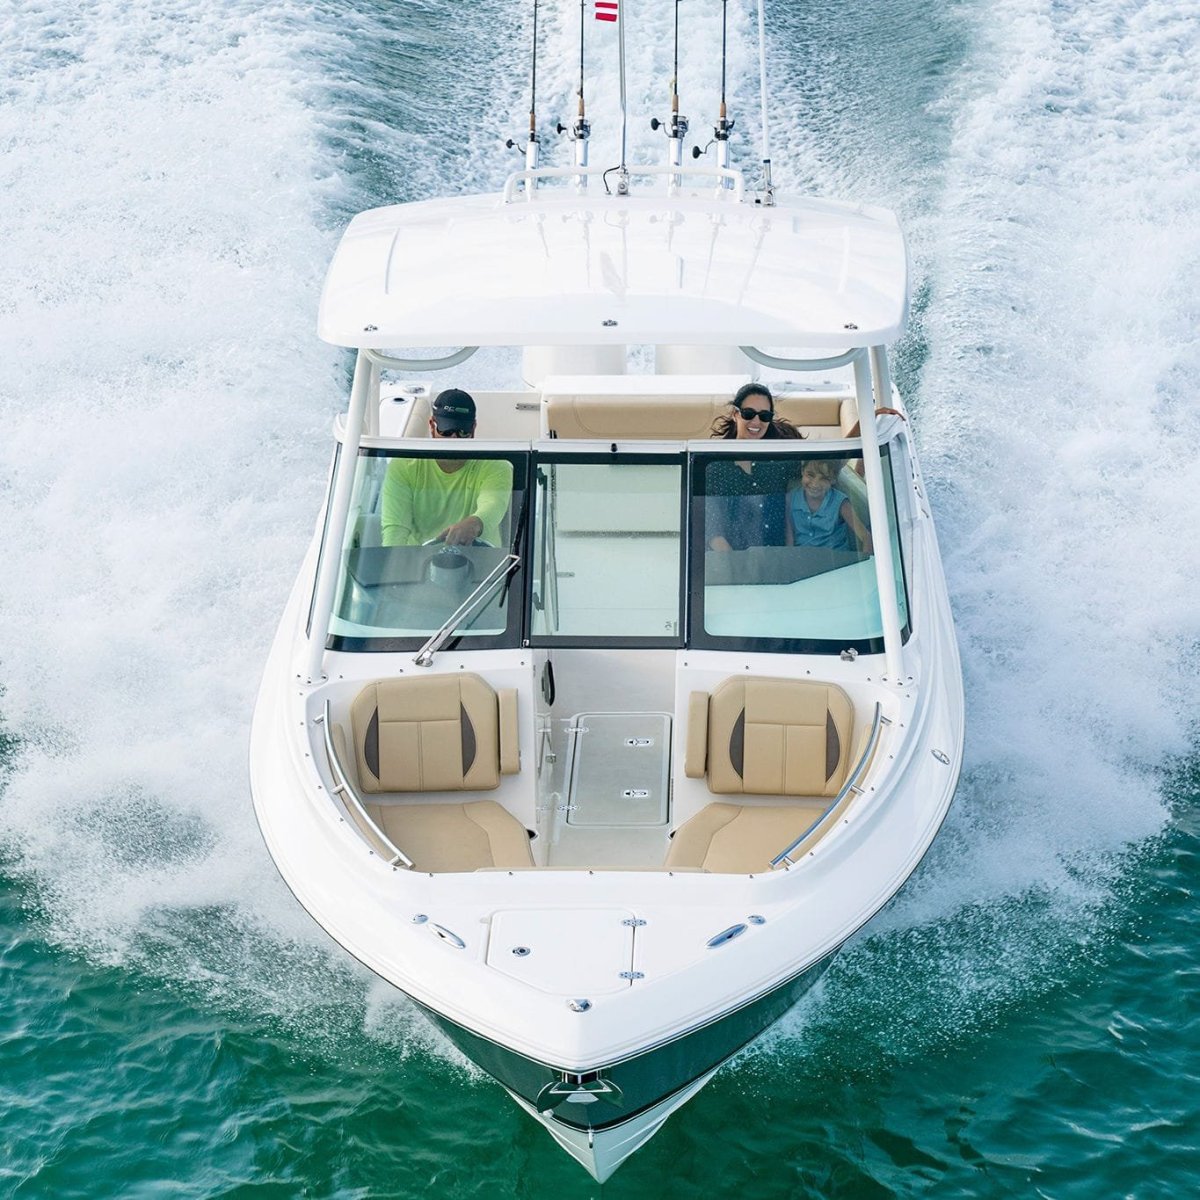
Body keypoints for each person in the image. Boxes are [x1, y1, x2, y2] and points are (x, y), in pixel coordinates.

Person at [380, 389, 512, 546]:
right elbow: (395, 530)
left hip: (482, 559)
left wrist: (474, 524)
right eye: (446, 431)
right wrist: (394, 560)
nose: (454, 439)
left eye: (462, 432)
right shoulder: (403, 466)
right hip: (419, 558)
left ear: (473, 428)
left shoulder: (497, 466)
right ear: (432, 426)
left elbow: (493, 505)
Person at [706, 384, 802, 552]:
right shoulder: (714, 466)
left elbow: (825, 468)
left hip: (778, 558)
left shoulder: (780, 461)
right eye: (748, 414)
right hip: (732, 560)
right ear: (735, 414)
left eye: (764, 416)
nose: (756, 422)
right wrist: (734, 563)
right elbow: (713, 528)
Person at [787, 459, 872, 553]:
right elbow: (789, 544)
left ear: (833, 479)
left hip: (836, 560)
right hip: (803, 559)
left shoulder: (840, 503)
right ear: (802, 471)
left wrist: (865, 561)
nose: (815, 484)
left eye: (824, 478)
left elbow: (866, 537)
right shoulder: (790, 499)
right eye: (810, 475)